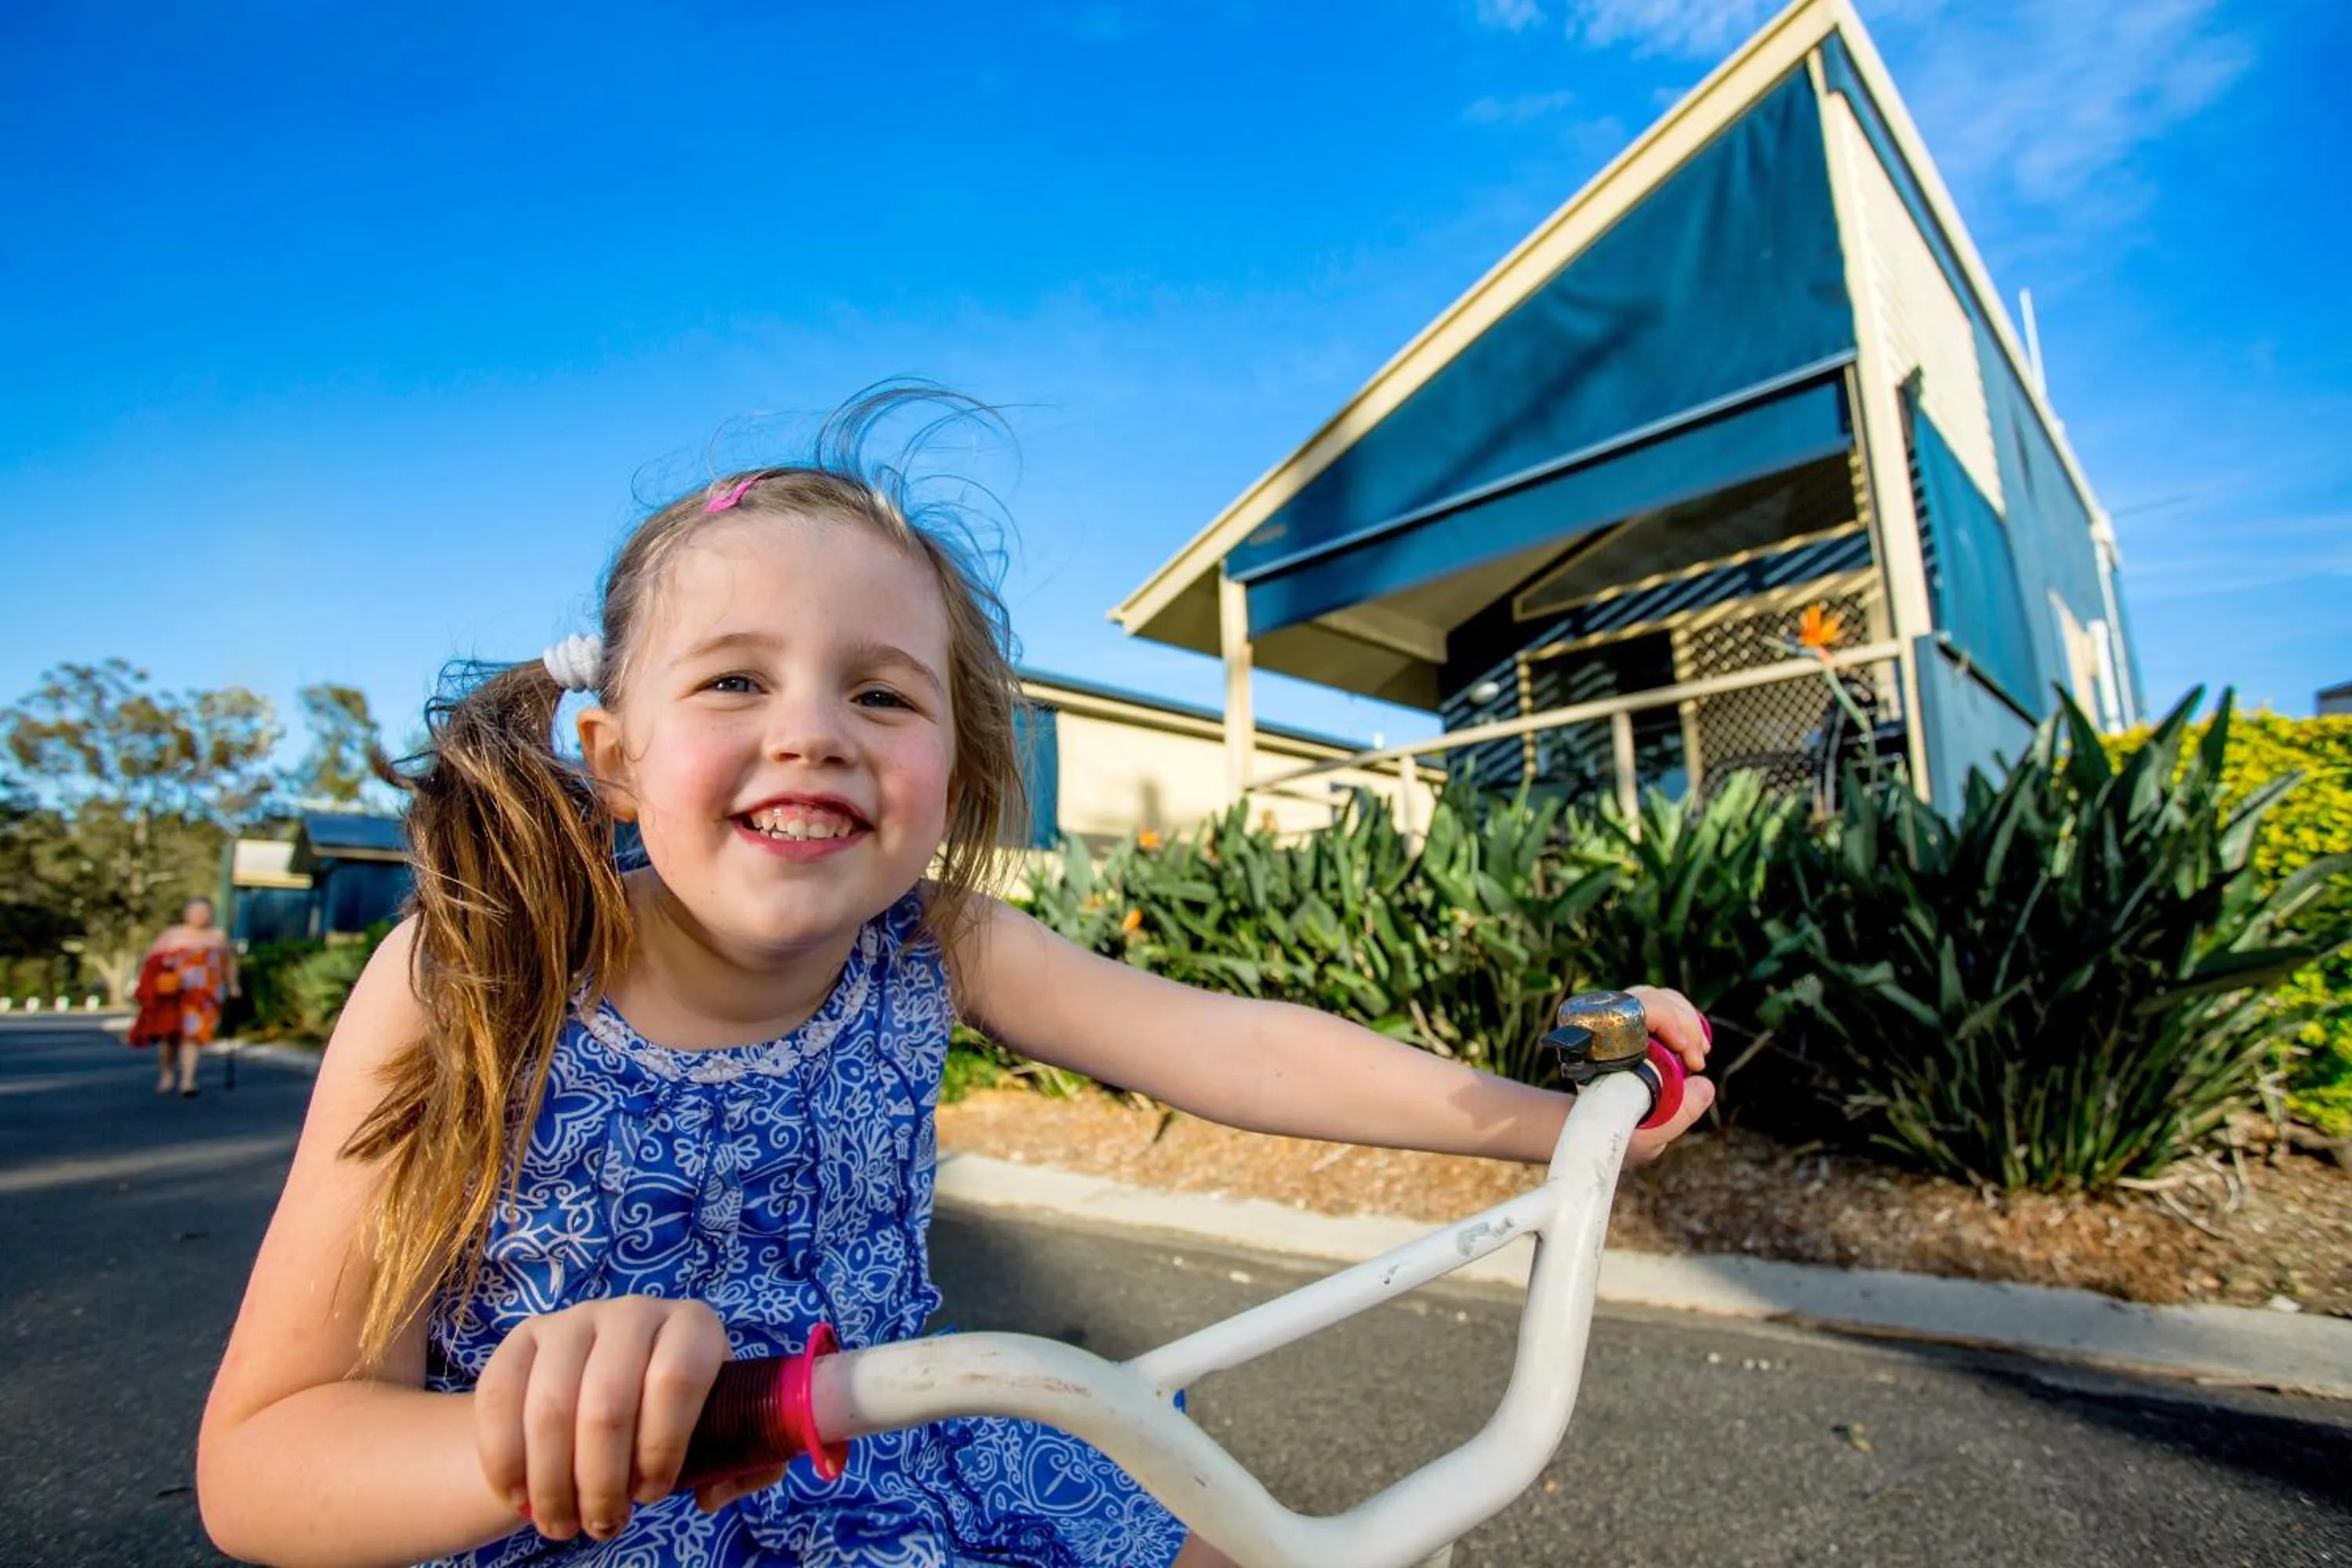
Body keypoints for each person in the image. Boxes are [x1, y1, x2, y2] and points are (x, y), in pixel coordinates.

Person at [195, 395, 1715, 1568]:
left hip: (929, 1465)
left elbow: (1231, 1046)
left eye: (880, 691)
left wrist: (1556, 1121)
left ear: (953, 763)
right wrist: (532, 1438)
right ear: (614, 758)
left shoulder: (931, 940)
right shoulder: (474, 970)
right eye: (734, 679)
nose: (813, 729)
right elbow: (262, 1460)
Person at [129, 895, 238, 1096]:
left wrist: (232, 985)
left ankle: (188, 1080)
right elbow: (152, 962)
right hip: (172, 994)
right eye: (195, 912)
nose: (199, 916)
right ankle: (167, 1074)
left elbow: (228, 962)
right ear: (186, 914)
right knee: (169, 1036)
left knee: (192, 1035)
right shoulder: (172, 935)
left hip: (202, 994)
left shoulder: (217, 937)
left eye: (204, 912)